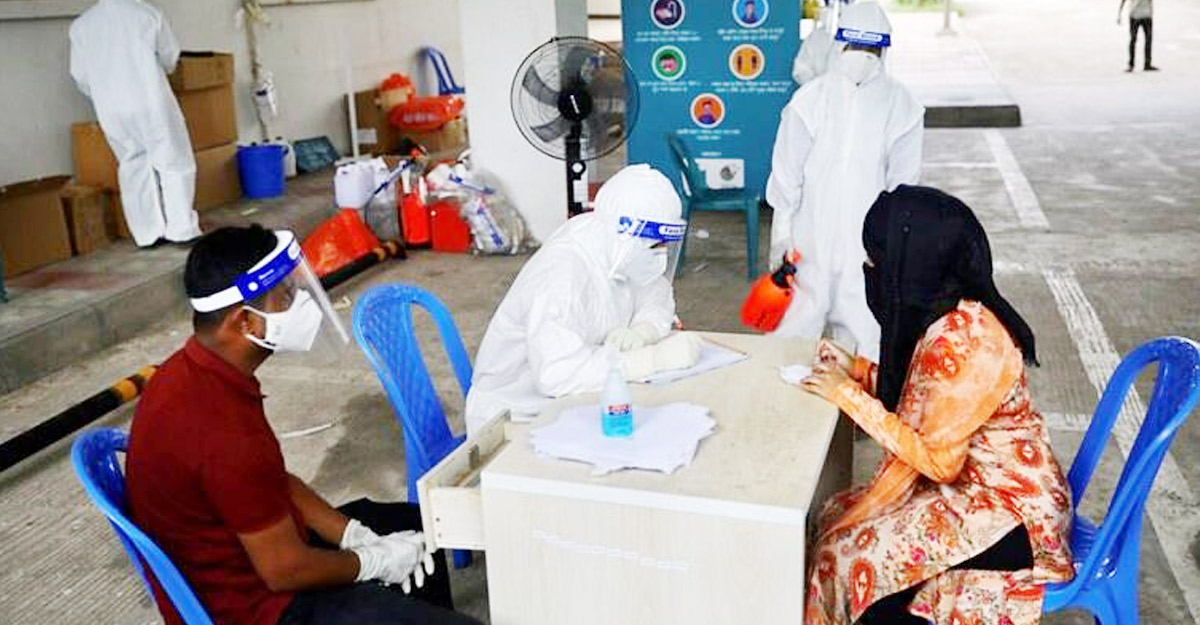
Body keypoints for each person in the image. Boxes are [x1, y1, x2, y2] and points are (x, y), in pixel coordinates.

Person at [126, 225, 481, 625]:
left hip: (248, 556)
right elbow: (285, 570)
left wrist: (354, 535)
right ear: (245, 322)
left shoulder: (194, 373)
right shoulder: (223, 432)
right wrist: (371, 562)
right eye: (286, 296)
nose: (301, 303)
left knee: (412, 525)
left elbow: (272, 481)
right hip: (256, 607)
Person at [798, 186, 1074, 625]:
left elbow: (939, 462)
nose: (870, 270)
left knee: (847, 559)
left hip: (1013, 515)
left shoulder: (962, 341)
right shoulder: (949, 314)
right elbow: (928, 401)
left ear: (910, 266)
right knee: (837, 517)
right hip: (979, 490)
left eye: (876, 260)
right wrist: (858, 371)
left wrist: (846, 395)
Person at [464, 164, 702, 434]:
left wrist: (644, 330)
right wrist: (650, 360)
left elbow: (656, 293)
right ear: (626, 234)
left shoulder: (618, 247)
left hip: (576, 401)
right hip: (513, 419)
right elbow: (558, 374)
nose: (660, 254)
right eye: (656, 245)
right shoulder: (562, 274)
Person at [765, 1, 923, 361]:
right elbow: (786, 175)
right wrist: (781, 236)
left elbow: (904, 187)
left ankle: (855, 397)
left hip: (865, 250)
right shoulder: (809, 101)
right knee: (791, 341)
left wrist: (893, 248)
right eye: (855, 46)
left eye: (871, 49)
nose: (862, 57)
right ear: (839, 45)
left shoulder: (903, 106)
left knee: (864, 346)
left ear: (884, 52)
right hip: (808, 243)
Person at [69, 0, 202, 248]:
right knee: (173, 161)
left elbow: (81, 76)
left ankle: (147, 233)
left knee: (132, 164)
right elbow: (169, 56)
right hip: (150, 99)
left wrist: (103, 91)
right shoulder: (147, 14)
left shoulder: (81, 26)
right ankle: (181, 229)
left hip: (111, 108)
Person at [1118, 0, 1157, 72]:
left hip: (1141, 14)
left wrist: (1119, 13)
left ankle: (1133, 64)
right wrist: (1119, 14)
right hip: (1140, 14)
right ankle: (1145, 64)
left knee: (1136, 39)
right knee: (1144, 39)